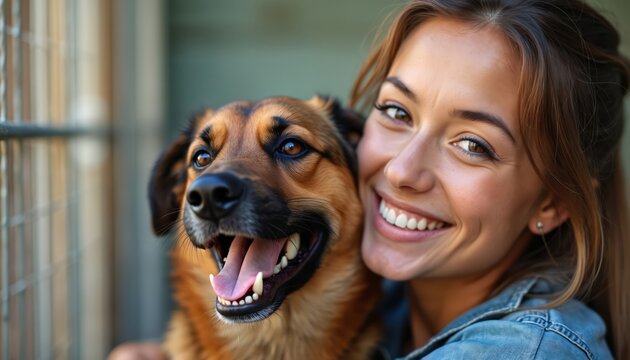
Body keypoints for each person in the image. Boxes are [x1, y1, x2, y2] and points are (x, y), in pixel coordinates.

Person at [349, 0, 629, 359]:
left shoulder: (528, 351)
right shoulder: (375, 305)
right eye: (396, 111)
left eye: (472, 145)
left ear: (555, 202)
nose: (401, 170)